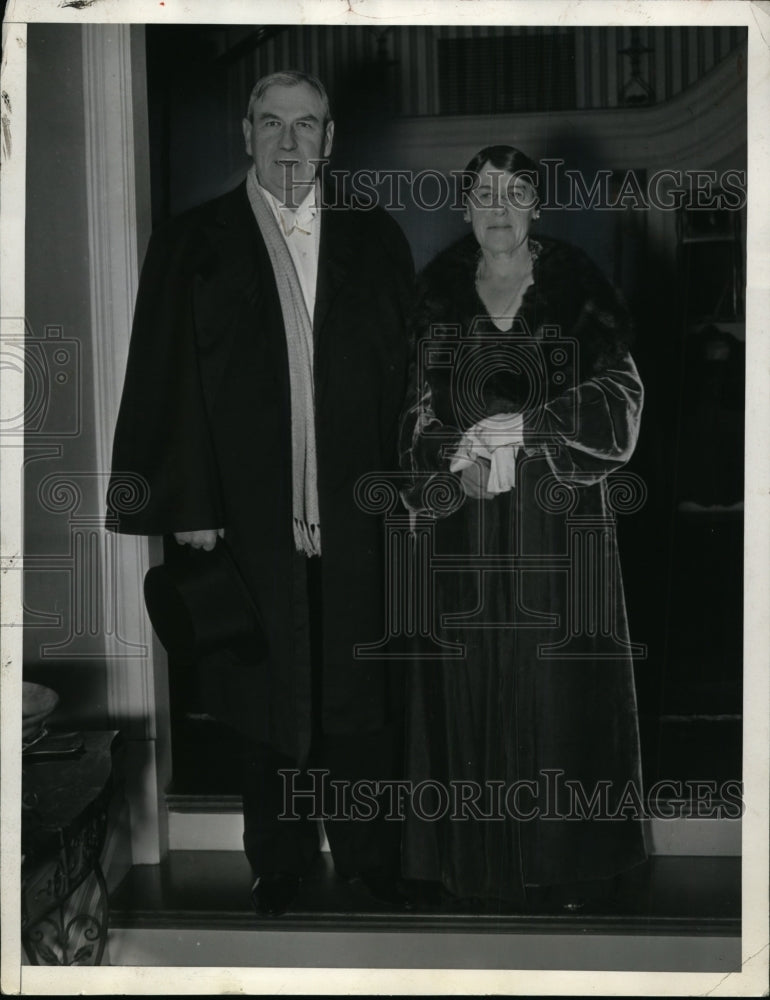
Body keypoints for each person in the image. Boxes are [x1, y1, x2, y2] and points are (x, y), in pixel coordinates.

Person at [107, 71, 414, 915]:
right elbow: (162, 381)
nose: (289, 142)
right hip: (243, 519)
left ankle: (368, 854)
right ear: (244, 132)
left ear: (331, 138)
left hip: (358, 513)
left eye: (306, 125)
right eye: (272, 124)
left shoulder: (376, 237)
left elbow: (409, 374)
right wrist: (188, 507)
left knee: (361, 696)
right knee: (260, 698)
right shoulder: (192, 242)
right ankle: (275, 861)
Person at [398, 145, 647, 910]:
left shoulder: (578, 287)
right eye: (483, 193)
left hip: (556, 518)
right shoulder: (435, 295)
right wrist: (453, 453)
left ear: (537, 206)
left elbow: (620, 404)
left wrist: (532, 425)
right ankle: (472, 864)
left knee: (559, 689)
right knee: (466, 680)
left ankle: (565, 865)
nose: (498, 207)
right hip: (464, 527)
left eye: (515, 193)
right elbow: (410, 414)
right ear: (464, 207)